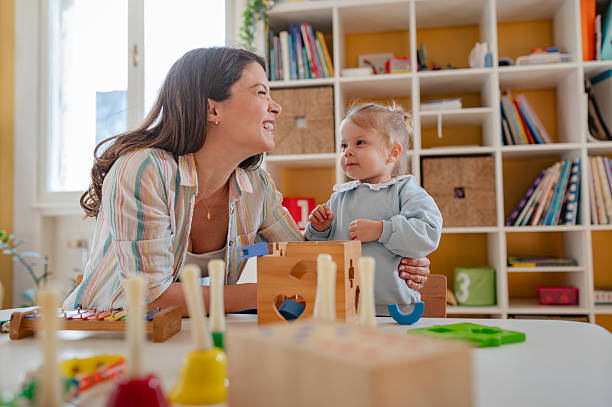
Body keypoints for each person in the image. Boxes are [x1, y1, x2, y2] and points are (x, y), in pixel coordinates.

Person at [63, 47, 431, 314]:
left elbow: (300, 259)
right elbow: (151, 296)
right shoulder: (145, 170)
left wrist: (389, 260)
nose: (276, 106)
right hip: (104, 336)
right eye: (260, 92)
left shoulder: (256, 185)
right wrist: (267, 293)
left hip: (186, 335)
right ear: (212, 109)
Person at [305, 102, 443, 315]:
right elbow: (316, 254)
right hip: (341, 306)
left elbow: (429, 233)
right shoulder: (338, 197)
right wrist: (319, 230)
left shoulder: (405, 191)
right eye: (343, 145)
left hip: (394, 310)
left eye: (359, 143)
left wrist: (382, 230)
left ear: (393, 152)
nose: (347, 152)